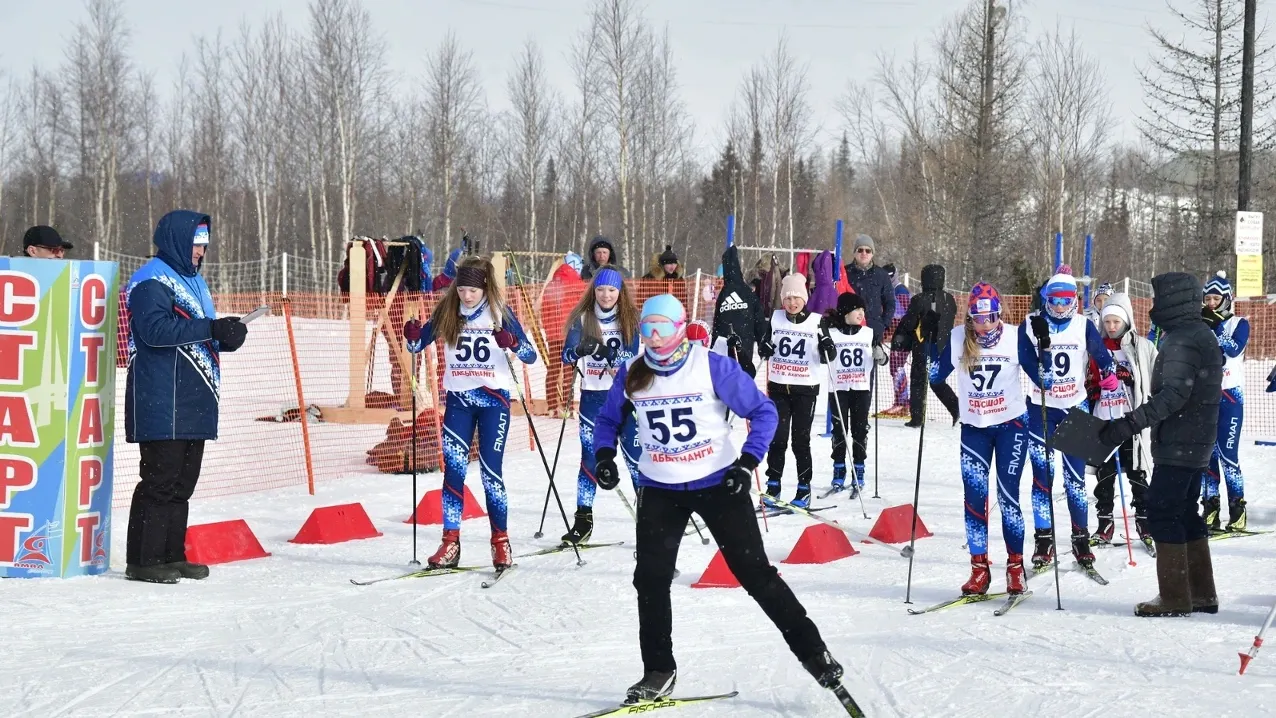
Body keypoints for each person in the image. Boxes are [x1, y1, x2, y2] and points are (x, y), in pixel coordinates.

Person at [591, 293, 845, 703]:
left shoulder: (710, 365)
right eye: (646, 329)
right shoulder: (633, 373)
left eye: (663, 328)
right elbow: (607, 419)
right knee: (650, 580)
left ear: (680, 328)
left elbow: (763, 412)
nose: (654, 338)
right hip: (660, 488)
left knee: (755, 574)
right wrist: (604, 454)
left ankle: (814, 653)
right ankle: (659, 669)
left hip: (718, 484)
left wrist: (747, 462)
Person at [124, 211, 248, 584]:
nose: (201, 251)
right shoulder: (151, 280)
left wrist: (225, 336)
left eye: (205, 244)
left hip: (193, 398)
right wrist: (210, 327)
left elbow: (193, 335)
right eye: (196, 243)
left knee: (182, 484)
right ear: (177, 240)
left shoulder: (194, 282)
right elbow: (154, 331)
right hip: (163, 397)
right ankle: (144, 560)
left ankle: (171, 555)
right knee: (159, 481)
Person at [1097, 272, 1221, 617]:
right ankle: (1201, 593)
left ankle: (1175, 597)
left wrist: (1129, 423)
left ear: (1173, 301)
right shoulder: (1198, 333)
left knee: (1164, 511)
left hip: (1181, 441)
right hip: (1195, 440)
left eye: (1158, 299)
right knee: (1185, 511)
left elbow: (1173, 396)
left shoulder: (1183, 338)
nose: (1153, 306)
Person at [403, 256, 538, 569]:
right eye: (462, 289)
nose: (466, 295)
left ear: (485, 288)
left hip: (494, 403)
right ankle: (450, 543)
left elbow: (530, 355)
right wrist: (411, 335)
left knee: (491, 475)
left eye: (472, 290)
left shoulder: (499, 313)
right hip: (459, 402)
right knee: (453, 473)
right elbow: (415, 347)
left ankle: (501, 543)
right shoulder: (448, 311)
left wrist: (513, 342)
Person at [928, 283, 1029, 595]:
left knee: (1008, 497)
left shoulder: (1014, 336)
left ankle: (1015, 567)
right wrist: (931, 342)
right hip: (975, 429)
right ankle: (979, 569)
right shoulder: (960, 337)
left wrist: (1044, 347)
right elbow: (934, 375)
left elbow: (1043, 378)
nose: (984, 325)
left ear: (999, 314)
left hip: (1012, 425)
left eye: (990, 317)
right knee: (974, 499)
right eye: (977, 318)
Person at [1018, 268, 1116, 570]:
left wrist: (1110, 374)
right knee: (1042, 480)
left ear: (1074, 299)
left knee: (1075, 480)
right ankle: (1044, 538)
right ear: (1046, 299)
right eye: (1054, 300)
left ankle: (1080, 536)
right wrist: (1041, 375)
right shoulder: (1032, 324)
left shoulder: (1084, 324)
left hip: (1075, 409)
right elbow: (1024, 358)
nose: (1060, 306)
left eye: (1065, 300)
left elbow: (1100, 353)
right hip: (1041, 410)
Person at [560, 266, 643, 543]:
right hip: (593, 400)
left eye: (611, 290)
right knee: (590, 459)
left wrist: (604, 351)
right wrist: (579, 350)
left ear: (620, 292)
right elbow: (566, 355)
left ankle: (649, 518)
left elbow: (629, 356)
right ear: (593, 291)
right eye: (600, 289)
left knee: (635, 460)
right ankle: (583, 520)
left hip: (624, 400)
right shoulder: (582, 319)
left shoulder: (629, 318)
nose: (606, 295)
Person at [1088, 293, 1156, 547]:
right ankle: (1105, 521)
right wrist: (1093, 386)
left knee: (1137, 470)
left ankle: (1144, 518)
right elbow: (1086, 376)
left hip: (1131, 419)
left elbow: (1154, 374)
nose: (1112, 327)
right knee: (1105, 474)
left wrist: (1131, 379)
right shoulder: (1096, 346)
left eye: (1116, 322)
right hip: (1105, 417)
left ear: (1126, 321)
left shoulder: (1141, 346)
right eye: (1107, 322)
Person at [757, 274, 825, 508]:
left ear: (804, 298)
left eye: (796, 297)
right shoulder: (775, 319)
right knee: (777, 439)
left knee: (800, 441)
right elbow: (765, 346)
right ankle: (773, 485)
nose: (792, 303)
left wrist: (827, 347)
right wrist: (764, 347)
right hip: (778, 388)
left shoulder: (816, 321)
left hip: (805, 390)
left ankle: (804, 489)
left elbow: (829, 356)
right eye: (787, 298)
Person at [1201, 270, 1249, 531]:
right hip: (1206, 397)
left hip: (1230, 397)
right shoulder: (1202, 323)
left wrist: (1216, 324)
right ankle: (1210, 508)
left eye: (1215, 298)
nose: (1210, 303)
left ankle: (1238, 510)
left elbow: (1233, 348)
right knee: (1206, 457)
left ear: (1226, 299)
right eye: (1207, 299)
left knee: (1227, 455)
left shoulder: (1239, 323)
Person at [821, 292, 873, 496]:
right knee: (839, 430)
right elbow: (822, 357)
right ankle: (839, 469)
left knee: (860, 430)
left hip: (861, 389)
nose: (861, 314)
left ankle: (859, 469)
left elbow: (882, 357)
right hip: (838, 389)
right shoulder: (831, 333)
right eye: (856, 310)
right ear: (845, 312)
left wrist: (881, 357)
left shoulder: (867, 333)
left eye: (862, 310)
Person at [893, 264, 957, 427]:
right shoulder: (949, 299)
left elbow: (909, 323)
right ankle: (956, 408)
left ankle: (917, 418)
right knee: (936, 380)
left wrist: (900, 340)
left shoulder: (919, 300)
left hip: (924, 346)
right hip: (943, 347)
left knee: (918, 381)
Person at [540, 259, 588, 417]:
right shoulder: (578, 285)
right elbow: (583, 309)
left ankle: (552, 406)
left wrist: (548, 329)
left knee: (553, 369)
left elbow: (544, 311)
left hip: (554, 333)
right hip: (570, 333)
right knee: (569, 370)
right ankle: (569, 406)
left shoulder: (551, 286)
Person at [711, 245, 763, 376]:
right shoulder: (747, 291)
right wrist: (762, 339)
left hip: (724, 344)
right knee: (744, 376)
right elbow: (759, 317)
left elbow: (716, 320)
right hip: (744, 343)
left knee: (726, 377)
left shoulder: (724, 294)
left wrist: (714, 342)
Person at [884, 263, 912, 416]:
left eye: (890, 277)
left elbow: (906, 314)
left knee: (897, 366)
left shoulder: (900, 290)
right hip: (899, 334)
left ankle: (902, 403)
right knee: (895, 366)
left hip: (905, 335)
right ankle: (901, 402)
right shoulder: (891, 290)